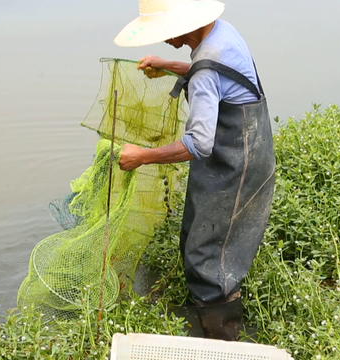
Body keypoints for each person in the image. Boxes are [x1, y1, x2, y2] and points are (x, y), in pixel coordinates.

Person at [113, 0, 276, 341]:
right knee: (195, 237)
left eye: (166, 32)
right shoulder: (221, 34)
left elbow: (199, 144)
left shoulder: (205, 71)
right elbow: (218, 71)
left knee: (208, 257)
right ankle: (209, 317)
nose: (164, 39)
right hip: (245, 151)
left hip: (236, 166)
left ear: (185, 24)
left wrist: (141, 156)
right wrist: (169, 66)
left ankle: (222, 338)